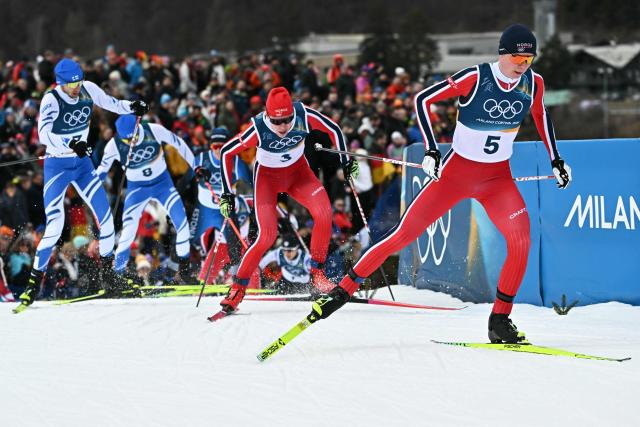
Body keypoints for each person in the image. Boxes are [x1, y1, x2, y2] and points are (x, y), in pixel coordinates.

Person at [309, 24, 573, 344]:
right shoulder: (475, 78)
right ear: (502, 54)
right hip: (455, 176)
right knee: (402, 235)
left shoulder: (534, 82)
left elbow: (540, 115)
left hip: (496, 179)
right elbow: (423, 100)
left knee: (521, 240)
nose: (523, 64)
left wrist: (556, 159)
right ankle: (342, 292)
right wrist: (432, 149)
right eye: (517, 56)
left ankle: (500, 320)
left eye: (529, 58)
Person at [15, 58, 149, 311]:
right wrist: (70, 144)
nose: (76, 88)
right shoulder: (51, 99)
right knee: (54, 226)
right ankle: (32, 286)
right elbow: (44, 133)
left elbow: (110, 103)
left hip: (83, 165)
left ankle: (110, 279)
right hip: (58, 167)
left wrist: (133, 106)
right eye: (71, 84)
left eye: (78, 81)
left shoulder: (88, 88)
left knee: (107, 220)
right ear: (61, 83)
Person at [217, 86, 359, 313]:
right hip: (267, 180)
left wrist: (345, 160)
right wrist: (226, 194)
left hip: (298, 174)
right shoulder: (258, 127)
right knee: (267, 236)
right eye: (277, 121)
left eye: (287, 120)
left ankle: (317, 275)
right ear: (268, 115)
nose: (283, 126)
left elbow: (333, 129)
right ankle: (237, 288)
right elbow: (226, 152)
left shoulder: (303, 114)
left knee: (324, 213)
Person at [96, 114, 197, 282]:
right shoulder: (114, 145)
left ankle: (185, 271)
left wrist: (196, 166)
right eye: (127, 140)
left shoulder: (153, 130)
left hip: (163, 185)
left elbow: (178, 143)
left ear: (138, 126)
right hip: (137, 190)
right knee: (128, 231)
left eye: (134, 137)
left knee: (182, 225)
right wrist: (90, 183)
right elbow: (102, 170)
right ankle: (118, 276)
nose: (131, 142)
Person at [190, 128, 252, 285]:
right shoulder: (203, 159)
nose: (218, 151)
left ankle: (243, 279)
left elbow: (250, 189)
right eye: (214, 146)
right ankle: (202, 279)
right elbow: (189, 182)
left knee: (238, 244)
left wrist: (239, 198)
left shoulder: (237, 162)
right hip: (212, 212)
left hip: (235, 210)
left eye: (222, 146)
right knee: (213, 244)